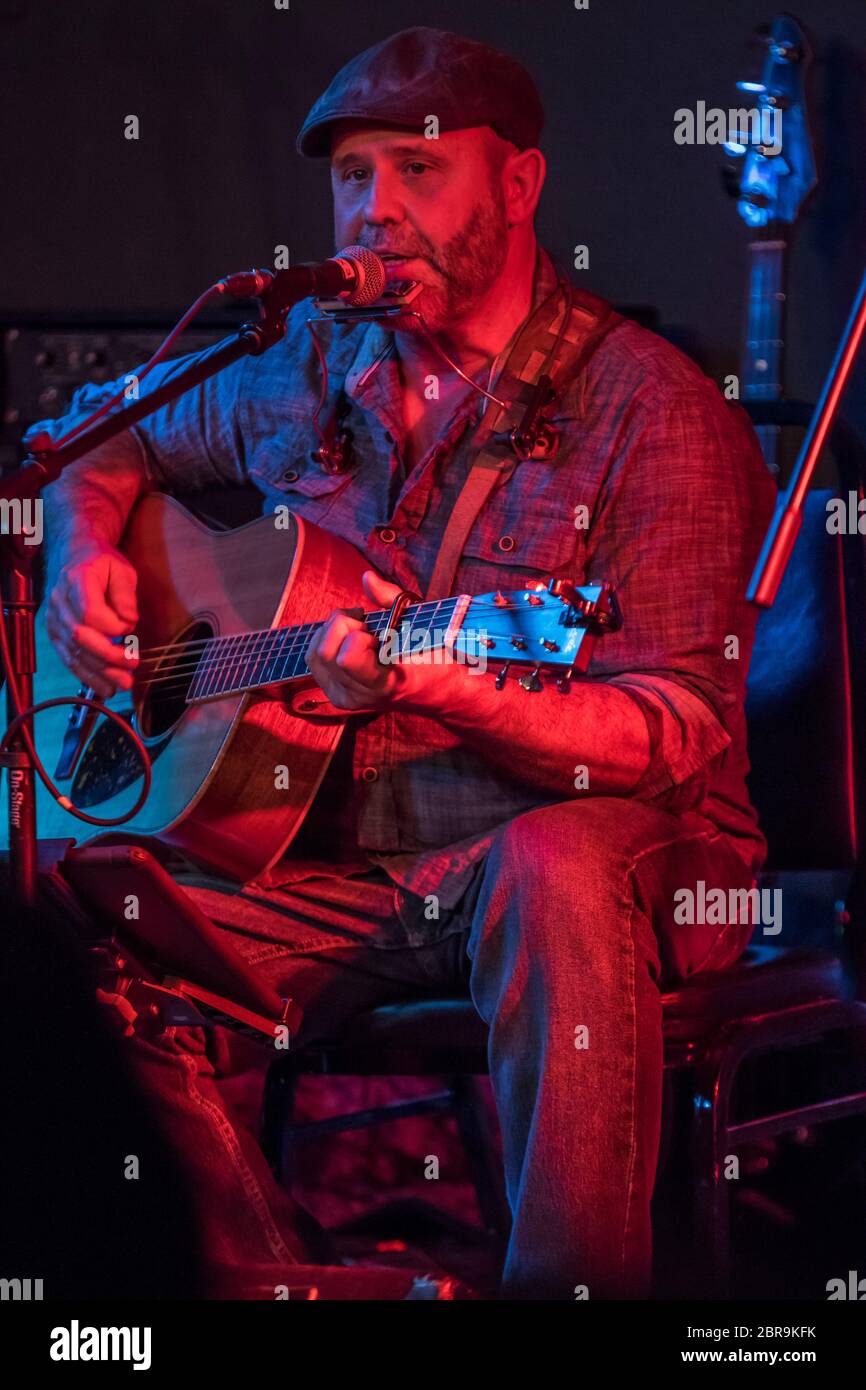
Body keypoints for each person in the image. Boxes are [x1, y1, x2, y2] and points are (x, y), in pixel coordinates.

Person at [30, 26, 777, 1298]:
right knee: (72, 910)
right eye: (353, 176)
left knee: (556, 860)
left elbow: (670, 725)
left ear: (520, 187)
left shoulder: (655, 412)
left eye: (417, 172)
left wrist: (454, 686)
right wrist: (80, 549)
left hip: (598, 849)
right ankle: (282, 1288)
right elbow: (88, 441)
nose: (375, 210)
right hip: (339, 862)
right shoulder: (313, 362)